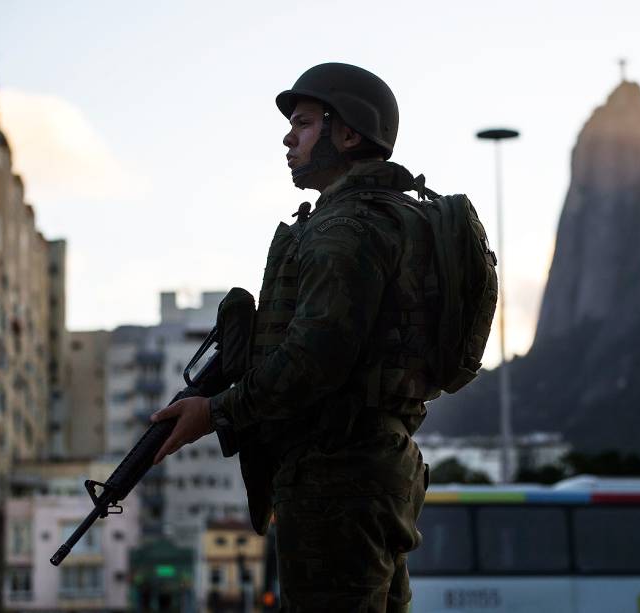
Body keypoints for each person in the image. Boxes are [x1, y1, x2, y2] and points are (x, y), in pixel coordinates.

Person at [150, 62, 439, 613]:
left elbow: (314, 359)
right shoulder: (391, 217)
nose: (288, 136)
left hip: (337, 476)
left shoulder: (344, 228)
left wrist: (212, 412)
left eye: (304, 123)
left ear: (348, 132)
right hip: (376, 466)